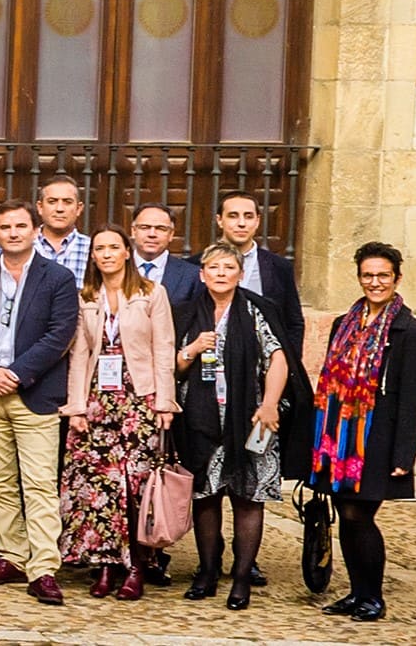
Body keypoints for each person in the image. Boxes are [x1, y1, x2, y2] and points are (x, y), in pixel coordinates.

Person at [0, 203, 77, 605]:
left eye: (20, 226)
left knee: (39, 484)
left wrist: (18, 373)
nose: (12, 232)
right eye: (5, 226)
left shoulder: (58, 277)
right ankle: (10, 555)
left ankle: (43, 567)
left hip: (34, 394)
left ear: (34, 229)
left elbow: (60, 334)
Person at [303, 241, 416, 622]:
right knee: (345, 512)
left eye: (383, 275)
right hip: (338, 436)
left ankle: (373, 596)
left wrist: (405, 455)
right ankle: (356, 593)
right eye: (368, 275)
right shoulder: (344, 324)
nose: (375, 282)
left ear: (397, 278)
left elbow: (412, 398)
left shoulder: (411, 331)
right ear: (359, 277)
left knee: (361, 514)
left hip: (376, 437)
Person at [55, 228, 176, 599]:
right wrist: (75, 407)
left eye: (113, 247)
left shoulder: (152, 294)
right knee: (99, 487)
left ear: (127, 252)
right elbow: (78, 356)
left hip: (138, 398)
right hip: (96, 401)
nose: (106, 254)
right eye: (99, 248)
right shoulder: (86, 297)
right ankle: (106, 566)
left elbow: (164, 348)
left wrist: (164, 402)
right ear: (92, 256)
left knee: (134, 485)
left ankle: (137, 566)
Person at [171, 242, 290, 609]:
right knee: (205, 496)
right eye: (213, 268)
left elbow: (279, 358)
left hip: (254, 419)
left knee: (248, 496)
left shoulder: (258, 310)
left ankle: (241, 578)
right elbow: (172, 366)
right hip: (201, 420)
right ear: (202, 275)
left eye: (228, 267)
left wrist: (270, 404)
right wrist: (193, 349)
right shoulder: (187, 313)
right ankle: (207, 571)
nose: (221, 273)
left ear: (239, 274)